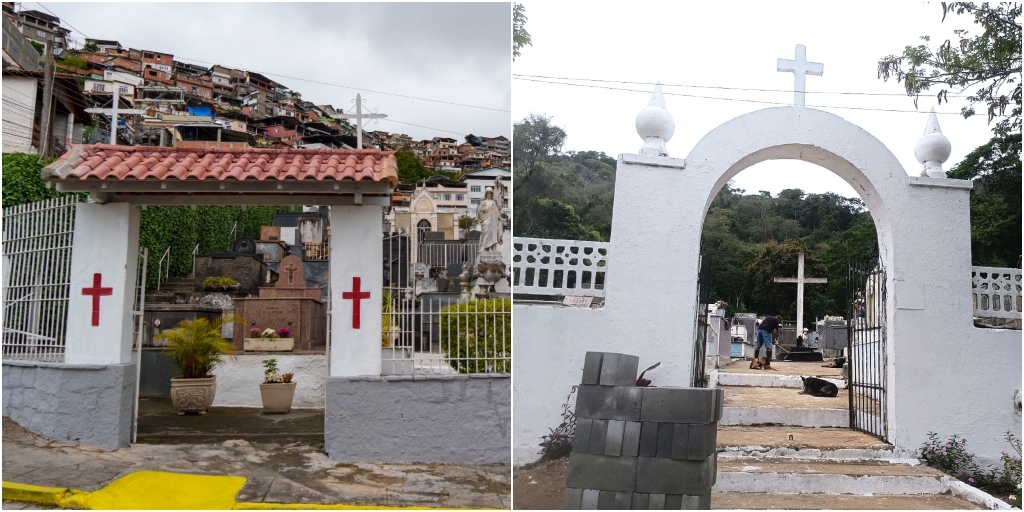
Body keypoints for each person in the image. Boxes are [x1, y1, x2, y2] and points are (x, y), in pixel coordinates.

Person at [476, 188, 503, 252]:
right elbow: (479, 210)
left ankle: (491, 248)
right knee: (485, 233)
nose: (489, 195)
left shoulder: (493, 202)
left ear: (491, 194)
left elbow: (497, 212)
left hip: (492, 220)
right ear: (486, 194)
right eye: (488, 193)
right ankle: (484, 247)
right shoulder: (483, 202)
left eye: (490, 194)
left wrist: (501, 218)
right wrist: (483, 210)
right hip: (485, 219)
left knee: (492, 234)